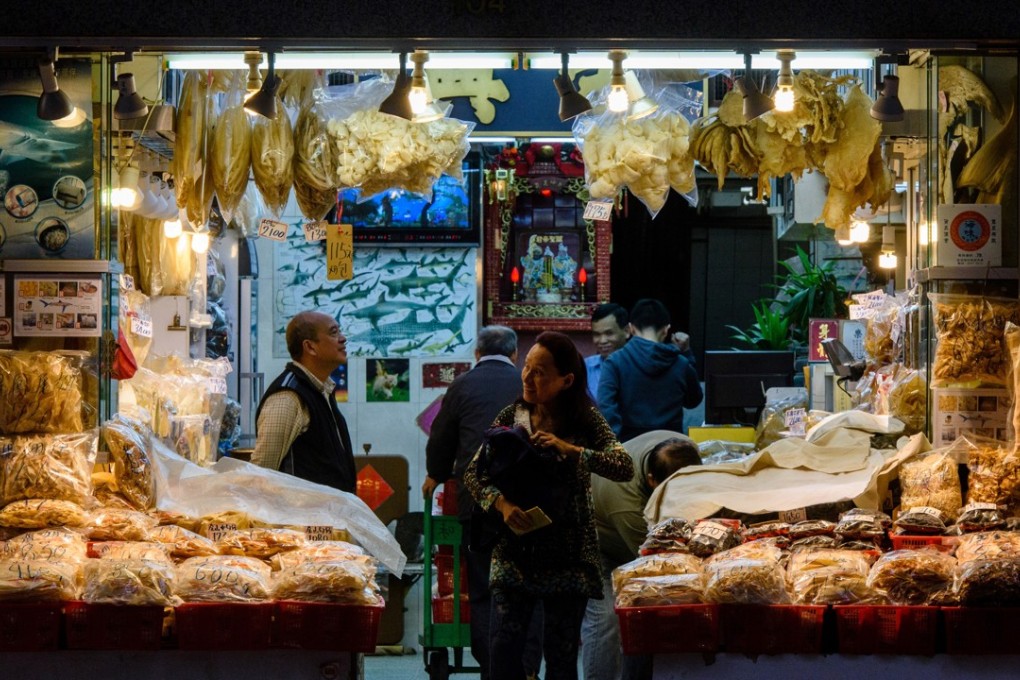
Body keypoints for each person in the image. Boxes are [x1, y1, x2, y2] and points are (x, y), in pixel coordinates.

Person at [464, 331, 633, 680]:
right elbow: (472, 474)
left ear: (566, 380)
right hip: (515, 551)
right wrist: (502, 504)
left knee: (561, 655)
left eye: (540, 372)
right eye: (527, 366)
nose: (527, 377)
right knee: (504, 651)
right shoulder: (513, 416)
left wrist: (572, 451)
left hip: (568, 554)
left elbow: (623, 466)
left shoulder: (585, 420)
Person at [421, 325, 541, 680]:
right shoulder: (529, 383)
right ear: (515, 354)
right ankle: (527, 670)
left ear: (476, 354)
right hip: (530, 502)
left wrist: (436, 474)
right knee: (529, 586)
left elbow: (441, 439)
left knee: (486, 589)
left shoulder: (462, 385)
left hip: (479, 503)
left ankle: (492, 669)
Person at [582, 431, 702, 680]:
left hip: (637, 537)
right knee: (611, 621)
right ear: (650, 481)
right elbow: (650, 563)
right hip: (601, 545)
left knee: (644, 615)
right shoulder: (626, 503)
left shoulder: (685, 451)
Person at [252, 311, 356, 493]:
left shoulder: (322, 389)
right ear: (310, 347)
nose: (343, 339)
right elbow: (261, 472)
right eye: (333, 333)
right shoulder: (288, 397)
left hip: (327, 517)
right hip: (299, 518)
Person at [598, 299, 703, 440]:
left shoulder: (615, 362)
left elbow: (606, 408)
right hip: (672, 447)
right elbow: (693, 401)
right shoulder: (681, 363)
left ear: (631, 328)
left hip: (630, 446)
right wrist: (687, 353)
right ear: (666, 330)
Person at [584, 303, 630, 404]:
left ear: (627, 331)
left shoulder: (642, 366)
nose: (602, 340)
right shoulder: (586, 368)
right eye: (596, 334)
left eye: (609, 333)